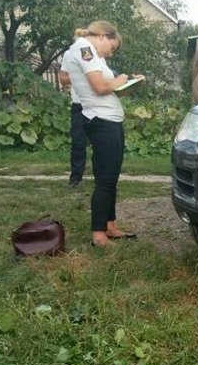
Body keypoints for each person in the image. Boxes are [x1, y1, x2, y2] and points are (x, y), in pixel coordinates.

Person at [62, 21, 143, 247]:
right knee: (105, 180)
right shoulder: (85, 49)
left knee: (110, 177)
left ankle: (110, 226)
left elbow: (106, 88)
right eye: (112, 47)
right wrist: (121, 79)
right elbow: (99, 87)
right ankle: (98, 234)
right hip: (102, 121)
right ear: (104, 35)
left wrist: (127, 84)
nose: (110, 52)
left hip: (109, 120)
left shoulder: (90, 53)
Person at [58, 41, 87, 188]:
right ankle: (75, 178)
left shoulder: (97, 54)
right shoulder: (69, 54)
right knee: (78, 142)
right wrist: (80, 75)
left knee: (101, 143)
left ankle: (101, 178)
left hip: (97, 104)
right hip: (78, 103)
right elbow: (63, 79)